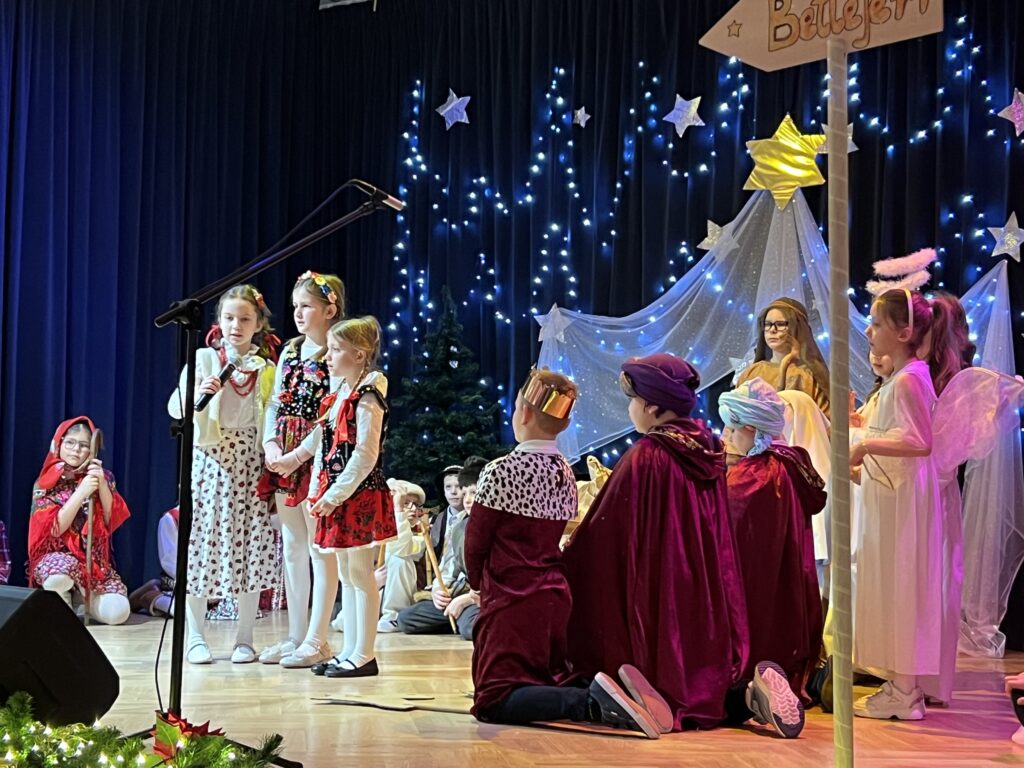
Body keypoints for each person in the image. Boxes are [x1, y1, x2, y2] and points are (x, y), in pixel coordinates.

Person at [564, 354, 803, 737]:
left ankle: (661, 697)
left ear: (652, 405)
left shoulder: (648, 455)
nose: (630, 409)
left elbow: (605, 532)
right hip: (704, 591)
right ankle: (747, 696)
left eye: (633, 400)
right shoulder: (709, 451)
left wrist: (570, 556)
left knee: (650, 669)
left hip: (661, 587)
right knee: (703, 678)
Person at [467, 368, 665, 739]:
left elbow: (476, 541)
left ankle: (590, 702)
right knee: (544, 676)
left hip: (512, 598)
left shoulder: (499, 471)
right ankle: (609, 692)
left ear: (525, 414)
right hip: (554, 595)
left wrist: (477, 584)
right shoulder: (565, 474)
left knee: (493, 699)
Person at [168, 284, 278, 664]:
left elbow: (271, 418)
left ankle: (245, 637)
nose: (236, 325)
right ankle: (195, 636)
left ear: (258, 324)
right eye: (229, 318)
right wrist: (198, 391)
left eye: (245, 318)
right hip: (211, 460)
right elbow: (176, 409)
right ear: (218, 320)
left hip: (250, 461)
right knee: (203, 545)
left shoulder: (266, 369)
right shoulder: (205, 359)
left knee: (250, 547)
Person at [850, 288, 947, 719]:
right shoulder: (902, 377)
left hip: (903, 500)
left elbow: (919, 440)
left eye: (877, 324)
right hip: (893, 493)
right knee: (892, 582)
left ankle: (906, 690)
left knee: (902, 581)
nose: (869, 331)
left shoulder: (909, 378)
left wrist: (864, 445)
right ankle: (900, 683)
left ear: (904, 332)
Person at [298, 316, 396, 677]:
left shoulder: (368, 396)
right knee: (346, 573)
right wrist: (317, 492)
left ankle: (364, 654)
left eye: (336, 349)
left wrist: (336, 495)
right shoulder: (341, 392)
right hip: (337, 494)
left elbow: (365, 455)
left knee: (361, 573)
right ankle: (350, 650)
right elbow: (325, 450)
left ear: (358, 355)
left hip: (358, 494)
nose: (327, 356)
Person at [719, 380, 826, 709]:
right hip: (786, 576)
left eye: (731, 429)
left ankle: (752, 682)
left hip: (755, 582)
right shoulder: (789, 464)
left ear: (751, 429)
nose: (725, 437)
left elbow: (726, 526)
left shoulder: (753, 475)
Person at [257, 271, 345, 664]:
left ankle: (317, 638)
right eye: (295, 306)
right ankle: (295, 635)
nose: (297, 313)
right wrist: (271, 443)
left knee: (318, 548)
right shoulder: (291, 350)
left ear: (330, 309)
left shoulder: (337, 352)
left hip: (317, 457)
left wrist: (298, 456)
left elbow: (333, 417)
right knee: (292, 546)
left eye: (306, 306)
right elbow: (276, 402)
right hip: (285, 454)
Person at [28, 417, 131, 625]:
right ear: (59, 444)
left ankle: (82, 600)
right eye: (70, 443)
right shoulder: (46, 481)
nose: (76, 450)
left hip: (92, 562)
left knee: (118, 613)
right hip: (57, 556)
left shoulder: (103, 476)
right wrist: (81, 492)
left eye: (83, 445)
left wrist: (101, 484)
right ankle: (63, 600)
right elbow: (55, 530)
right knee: (58, 578)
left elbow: (111, 520)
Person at [395, 458, 487, 641]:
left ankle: (463, 617)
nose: (468, 500)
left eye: (474, 493)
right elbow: (451, 568)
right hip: (457, 592)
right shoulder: (460, 528)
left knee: (471, 628)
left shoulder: (495, 529)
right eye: (465, 494)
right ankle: (456, 617)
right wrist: (439, 591)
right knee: (406, 619)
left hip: (481, 596)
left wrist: (468, 599)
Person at [737, 298, 831, 417]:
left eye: (780, 324)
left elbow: (824, 421)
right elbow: (734, 417)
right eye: (767, 324)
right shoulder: (751, 373)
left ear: (797, 328)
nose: (772, 330)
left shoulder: (809, 376)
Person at [376, 479, 427, 633]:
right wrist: (372, 582)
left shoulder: (421, 532)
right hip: (377, 589)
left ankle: (394, 615)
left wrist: (399, 511)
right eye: (405, 503)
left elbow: (401, 547)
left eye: (415, 504)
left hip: (408, 594)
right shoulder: (373, 529)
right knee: (344, 621)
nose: (412, 508)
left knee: (399, 559)